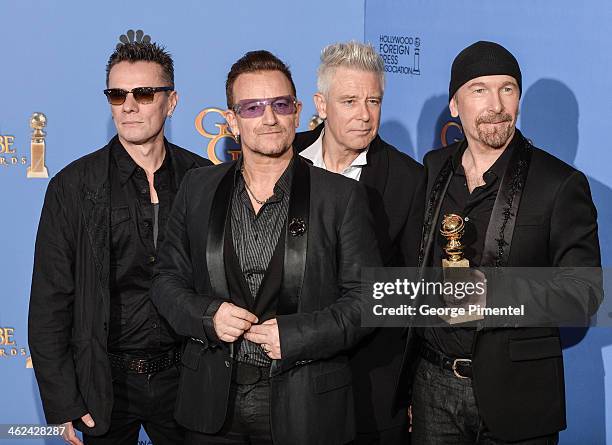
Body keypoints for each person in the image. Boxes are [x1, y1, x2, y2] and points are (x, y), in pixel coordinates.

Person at [151, 49, 380, 445]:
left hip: (306, 408)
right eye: (252, 107)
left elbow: (369, 300)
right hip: (211, 409)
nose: (269, 118)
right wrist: (208, 316)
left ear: (298, 110)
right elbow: (165, 281)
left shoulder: (341, 197)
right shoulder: (198, 188)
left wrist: (297, 336)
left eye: (280, 104)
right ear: (231, 121)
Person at [395, 41, 602, 444]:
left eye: (507, 88)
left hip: (518, 396)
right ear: (454, 105)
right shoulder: (434, 169)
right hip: (432, 387)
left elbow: (585, 293)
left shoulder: (559, 184)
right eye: (479, 89)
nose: (496, 104)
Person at [28, 41, 211, 445]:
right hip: (104, 383)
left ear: (172, 101)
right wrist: (63, 400)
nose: (128, 106)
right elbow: (50, 300)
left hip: (188, 377)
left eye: (143, 94)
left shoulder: (203, 178)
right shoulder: (73, 186)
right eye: (117, 94)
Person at [293, 41, 424, 444]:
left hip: (371, 386)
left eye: (374, 101)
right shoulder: (283, 157)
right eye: (349, 100)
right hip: (287, 381)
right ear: (321, 103)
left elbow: (411, 293)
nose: (365, 115)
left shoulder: (407, 179)